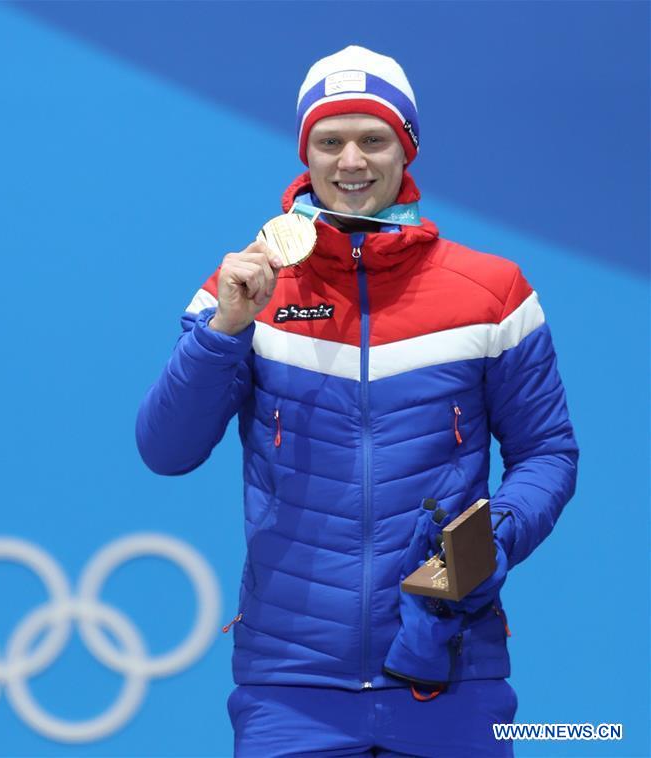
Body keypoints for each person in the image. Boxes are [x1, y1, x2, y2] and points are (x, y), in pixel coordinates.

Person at [135, 45, 578, 757]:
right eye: (329, 140)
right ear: (304, 152)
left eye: (373, 139)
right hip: (289, 685)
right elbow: (166, 450)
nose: (351, 162)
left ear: (407, 149)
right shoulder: (245, 286)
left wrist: (490, 538)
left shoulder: (493, 291)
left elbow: (547, 452)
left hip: (450, 670)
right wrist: (225, 329)